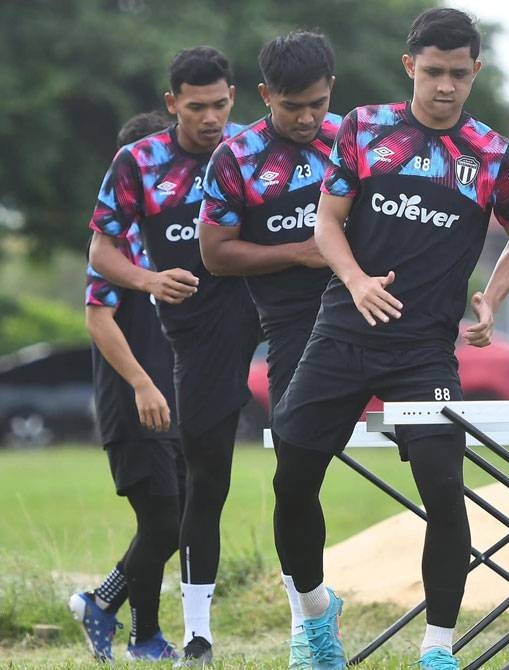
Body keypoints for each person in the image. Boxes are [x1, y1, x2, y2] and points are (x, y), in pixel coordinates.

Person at [270, 8, 509, 670]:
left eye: (458, 74)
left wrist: (491, 301)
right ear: (409, 66)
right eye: (432, 72)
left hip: (424, 351)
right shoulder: (366, 129)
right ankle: (313, 616)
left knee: (444, 490)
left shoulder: (496, 157)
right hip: (342, 331)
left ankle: (438, 651)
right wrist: (357, 280)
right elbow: (326, 224)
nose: (444, 86)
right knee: (292, 479)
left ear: (475, 71)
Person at [87, 46, 260, 666]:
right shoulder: (138, 182)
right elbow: (100, 283)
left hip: (216, 359)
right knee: (171, 510)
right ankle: (159, 633)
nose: (211, 118)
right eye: (195, 108)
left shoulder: (250, 150)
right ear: (171, 107)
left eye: (219, 104)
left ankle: (122, 613)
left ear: (234, 97)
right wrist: (148, 281)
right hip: (160, 371)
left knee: (185, 506)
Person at [197, 30, 340, 670]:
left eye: (316, 103)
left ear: (331, 89)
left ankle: (438, 637)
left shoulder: (362, 141)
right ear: (264, 96)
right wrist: (300, 251)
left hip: (372, 316)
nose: (307, 118)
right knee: (293, 482)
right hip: (290, 329)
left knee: (435, 462)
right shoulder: (237, 157)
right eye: (291, 107)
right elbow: (215, 254)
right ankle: (311, 620)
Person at [69, 110, 182, 663]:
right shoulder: (117, 241)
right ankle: (128, 625)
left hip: (174, 397)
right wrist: (142, 384)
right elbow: (97, 317)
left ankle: (121, 619)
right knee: (165, 520)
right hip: (134, 400)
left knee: (175, 520)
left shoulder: (173, 228)